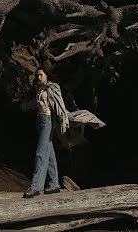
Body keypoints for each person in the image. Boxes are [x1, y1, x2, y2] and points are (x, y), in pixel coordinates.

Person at [20, 67, 106, 199]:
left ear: (46, 76)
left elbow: (60, 106)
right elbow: (35, 103)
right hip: (40, 122)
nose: (38, 77)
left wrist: (64, 122)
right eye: (37, 75)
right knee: (49, 155)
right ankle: (54, 184)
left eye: (41, 75)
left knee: (40, 153)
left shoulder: (53, 87)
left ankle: (36, 186)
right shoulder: (39, 89)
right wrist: (24, 106)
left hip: (48, 122)